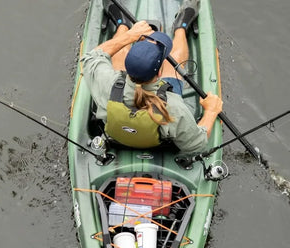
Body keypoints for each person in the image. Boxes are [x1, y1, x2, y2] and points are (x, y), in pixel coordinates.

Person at [81, 0, 223, 154]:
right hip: (155, 143)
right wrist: (210, 112)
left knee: (119, 52)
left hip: (116, 134)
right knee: (174, 58)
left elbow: (92, 57)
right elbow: (196, 144)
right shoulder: (173, 107)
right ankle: (180, 28)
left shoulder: (106, 82)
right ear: (159, 73)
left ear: (125, 68)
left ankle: (123, 25)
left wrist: (129, 36)